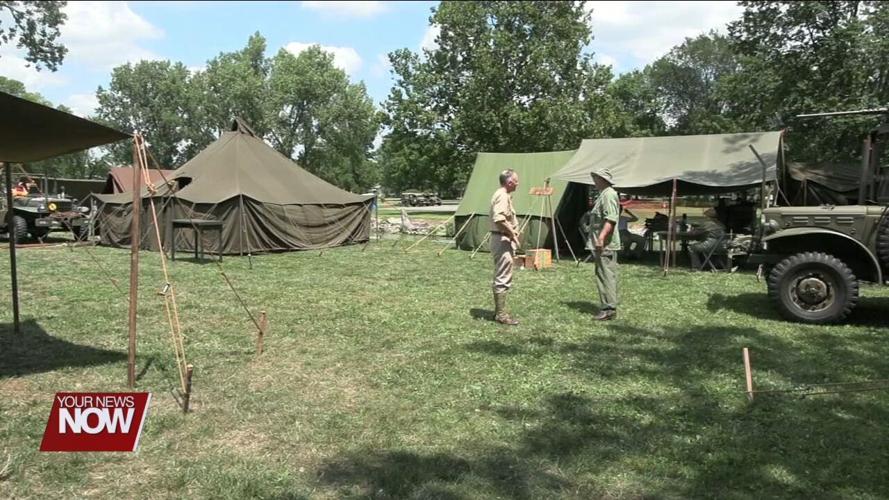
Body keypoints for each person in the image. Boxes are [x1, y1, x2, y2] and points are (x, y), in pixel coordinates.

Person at [490, 169, 521, 325]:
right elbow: (499, 218)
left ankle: (499, 312)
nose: (518, 183)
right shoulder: (502, 195)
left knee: (502, 274)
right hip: (502, 240)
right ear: (509, 182)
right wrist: (513, 234)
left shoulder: (503, 195)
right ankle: (501, 315)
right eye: (516, 180)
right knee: (503, 277)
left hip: (502, 238)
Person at [590, 168, 620, 321]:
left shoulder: (609, 194)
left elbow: (611, 219)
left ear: (602, 179)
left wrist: (601, 238)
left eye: (595, 177)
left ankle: (609, 308)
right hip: (601, 244)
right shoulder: (604, 194)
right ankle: (607, 306)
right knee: (603, 274)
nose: (594, 180)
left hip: (605, 244)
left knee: (606, 275)